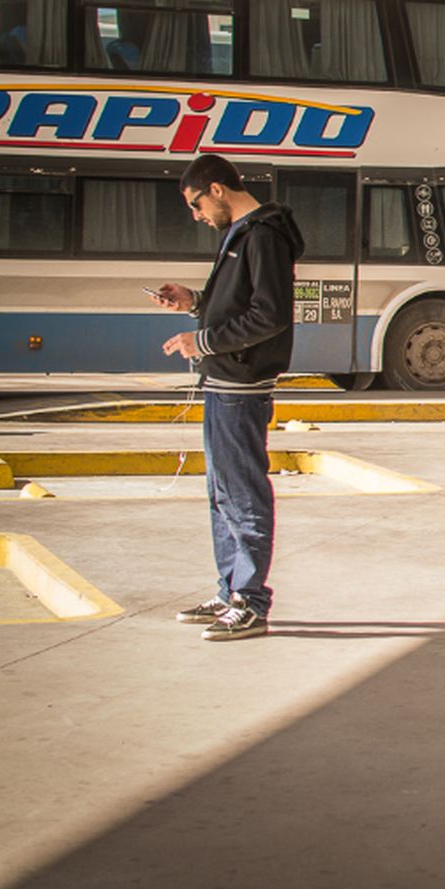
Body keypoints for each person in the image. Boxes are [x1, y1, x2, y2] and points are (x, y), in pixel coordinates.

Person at [154, 154, 304, 642]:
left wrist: (201, 342)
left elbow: (270, 315)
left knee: (243, 494)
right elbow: (237, 303)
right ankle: (229, 591)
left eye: (196, 204)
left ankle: (251, 602)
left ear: (217, 189)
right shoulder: (239, 234)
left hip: (242, 387)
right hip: (224, 384)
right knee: (221, 495)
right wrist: (195, 302)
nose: (197, 215)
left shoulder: (263, 235)